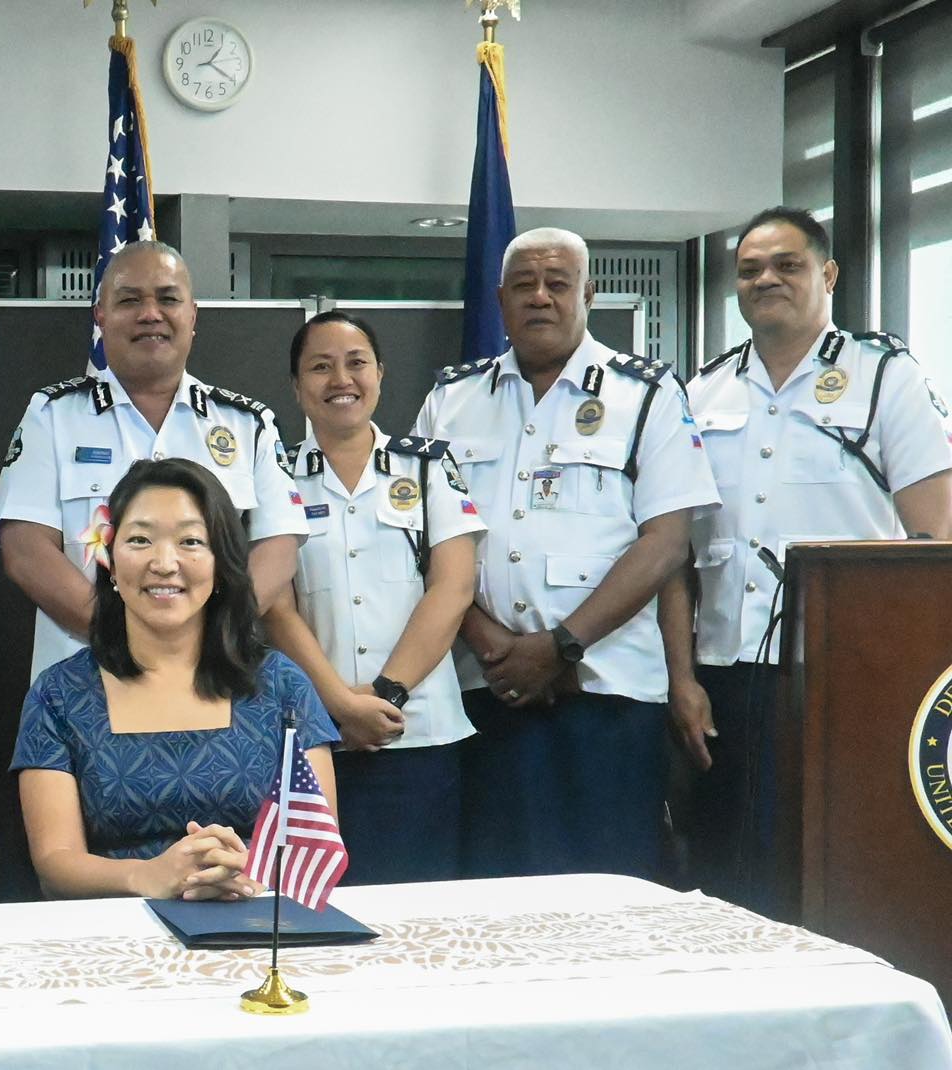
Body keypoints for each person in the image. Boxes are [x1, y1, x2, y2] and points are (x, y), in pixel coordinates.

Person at [667, 206, 952, 915]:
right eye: (751, 270)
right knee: (728, 865)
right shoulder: (701, 393)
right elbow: (676, 556)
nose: (768, 279)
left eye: (787, 265)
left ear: (827, 274)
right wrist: (683, 678)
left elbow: (935, 539)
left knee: (836, 864)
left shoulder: (885, 378)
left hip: (853, 673)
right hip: (728, 676)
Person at [416, 227, 719, 880]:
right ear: (500, 300)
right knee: (493, 896)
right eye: (524, 284)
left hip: (607, 695)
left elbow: (665, 544)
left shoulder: (647, 395)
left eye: (557, 283)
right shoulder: (452, 399)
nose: (540, 297)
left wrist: (560, 648)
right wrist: (496, 644)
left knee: (610, 890)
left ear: (589, 293)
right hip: (485, 687)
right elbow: (423, 538)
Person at [11, 458, 338, 899]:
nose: (164, 564)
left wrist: (245, 873)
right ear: (108, 558)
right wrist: (144, 876)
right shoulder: (58, 695)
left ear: (221, 563)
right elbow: (56, 862)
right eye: (140, 540)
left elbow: (315, 848)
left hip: (259, 928)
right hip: (118, 939)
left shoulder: (282, 686)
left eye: (190, 541)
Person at [0, 240, 308, 682]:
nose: (150, 314)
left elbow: (278, 547)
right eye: (129, 300)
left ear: (192, 315)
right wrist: (123, 639)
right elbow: (26, 550)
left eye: (167, 299)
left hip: (212, 676)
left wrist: (207, 635)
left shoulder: (247, 424)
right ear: (100, 316)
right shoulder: (52, 417)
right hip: (87, 677)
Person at [263, 312, 484, 885]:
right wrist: (337, 703)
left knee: (422, 915)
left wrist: (384, 696)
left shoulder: (430, 465)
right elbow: (275, 606)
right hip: (314, 739)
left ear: (380, 374)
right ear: (296, 386)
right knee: (320, 903)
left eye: (356, 362)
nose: (341, 378)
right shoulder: (274, 474)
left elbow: (454, 586)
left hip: (421, 732)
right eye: (320, 366)